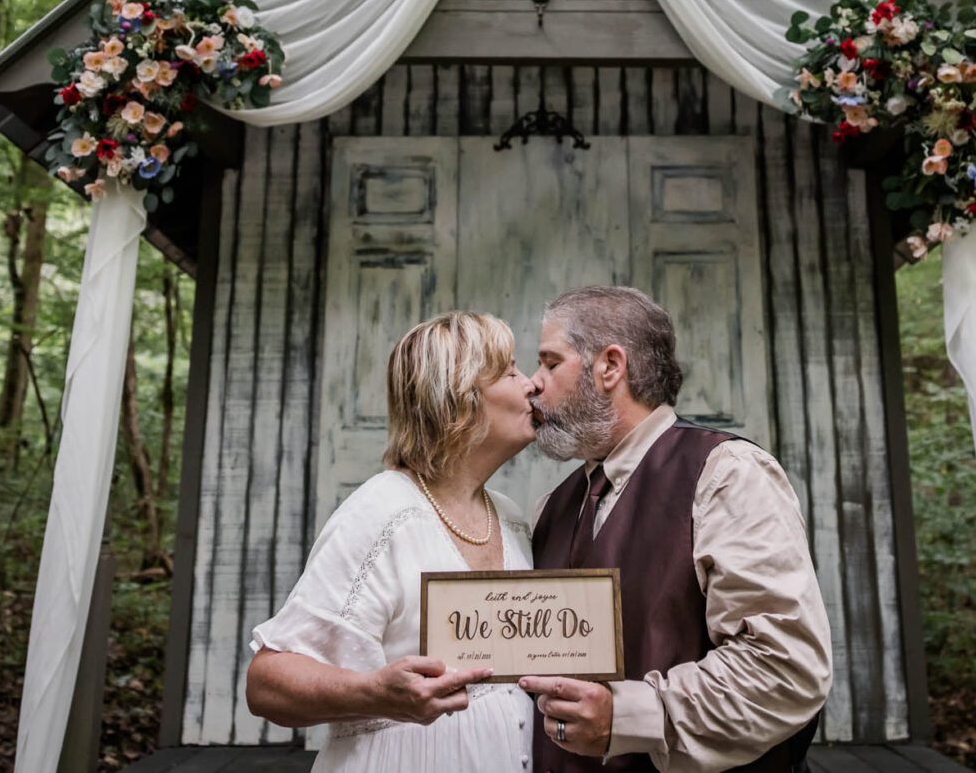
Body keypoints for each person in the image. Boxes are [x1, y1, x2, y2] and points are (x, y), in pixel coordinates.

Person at [519, 285, 832, 772]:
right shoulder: (551, 508)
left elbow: (784, 668)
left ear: (610, 367)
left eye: (550, 363)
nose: (533, 384)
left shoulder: (726, 473)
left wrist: (629, 715)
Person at [245, 310, 538, 768]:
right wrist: (376, 692)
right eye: (510, 372)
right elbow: (266, 683)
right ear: (460, 400)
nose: (532, 385)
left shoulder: (511, 518)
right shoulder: (381, 513)